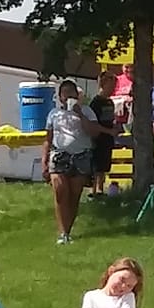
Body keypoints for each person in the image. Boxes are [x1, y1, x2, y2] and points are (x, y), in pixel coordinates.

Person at [45, 80, 98, 245]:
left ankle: (67, 231)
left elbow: (94, 133)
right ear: (60, 97)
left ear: (77, 95)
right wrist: (44, 161)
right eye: (65, 93)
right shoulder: (54, 113)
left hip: (81, 155)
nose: (68, 96)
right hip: (59, 155)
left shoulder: (87, 111)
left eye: (71, 93)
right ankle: (61, 233)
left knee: (74, 195)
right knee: (60, 192)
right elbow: (47, 139)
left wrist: (79, 113)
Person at [86, 81, 118, 196]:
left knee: (104, 165)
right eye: (111, 86)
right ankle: (92, 190)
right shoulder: (96, 103)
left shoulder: (110, 102)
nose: (113, 89)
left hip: (108, 138)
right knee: (96, 165)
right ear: (103, 85)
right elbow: (93, 123)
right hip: (98, 137)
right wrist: (108, 131)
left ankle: (100, 190)